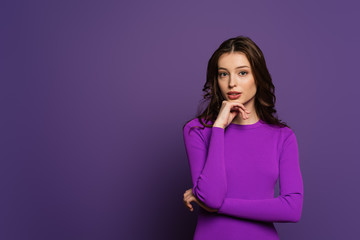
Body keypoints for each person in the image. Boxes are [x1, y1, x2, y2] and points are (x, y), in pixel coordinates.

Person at [182, 35, 304, 240]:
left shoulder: (283, 136)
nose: (232, 83)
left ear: (258, 76)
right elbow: (211, 196)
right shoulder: (197, 130)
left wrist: (217, 205)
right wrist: (219, 127)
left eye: (242, 73)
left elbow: (292, 209)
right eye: (223, 74)